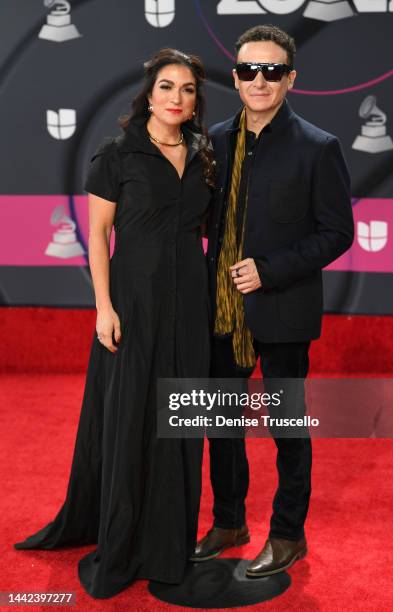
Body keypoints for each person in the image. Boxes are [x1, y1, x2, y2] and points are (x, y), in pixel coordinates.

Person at [14, 48, 214, 598]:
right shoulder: (117, 154)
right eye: (168, 87)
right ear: (149, 95)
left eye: (188, 89)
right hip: (132, 301)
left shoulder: (204, 153)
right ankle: (123, 543)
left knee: (180, 418)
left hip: (189, 305)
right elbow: (98, 237)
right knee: (129, 418)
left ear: (197, 99)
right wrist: (103, 306)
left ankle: (168, 540)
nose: (178, 98)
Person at [191, 25, 354, 577]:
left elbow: (337, 233)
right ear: (235, 76)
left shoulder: (318, 146)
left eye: (271, 70)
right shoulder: (213, 139)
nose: (258, 80)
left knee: (287, 429)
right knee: (220, 426)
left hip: (283, 311)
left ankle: (287, 535)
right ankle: (229, 521)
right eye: (247, 70)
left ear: (290, 78)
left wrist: (268, 269)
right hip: (219, 312)